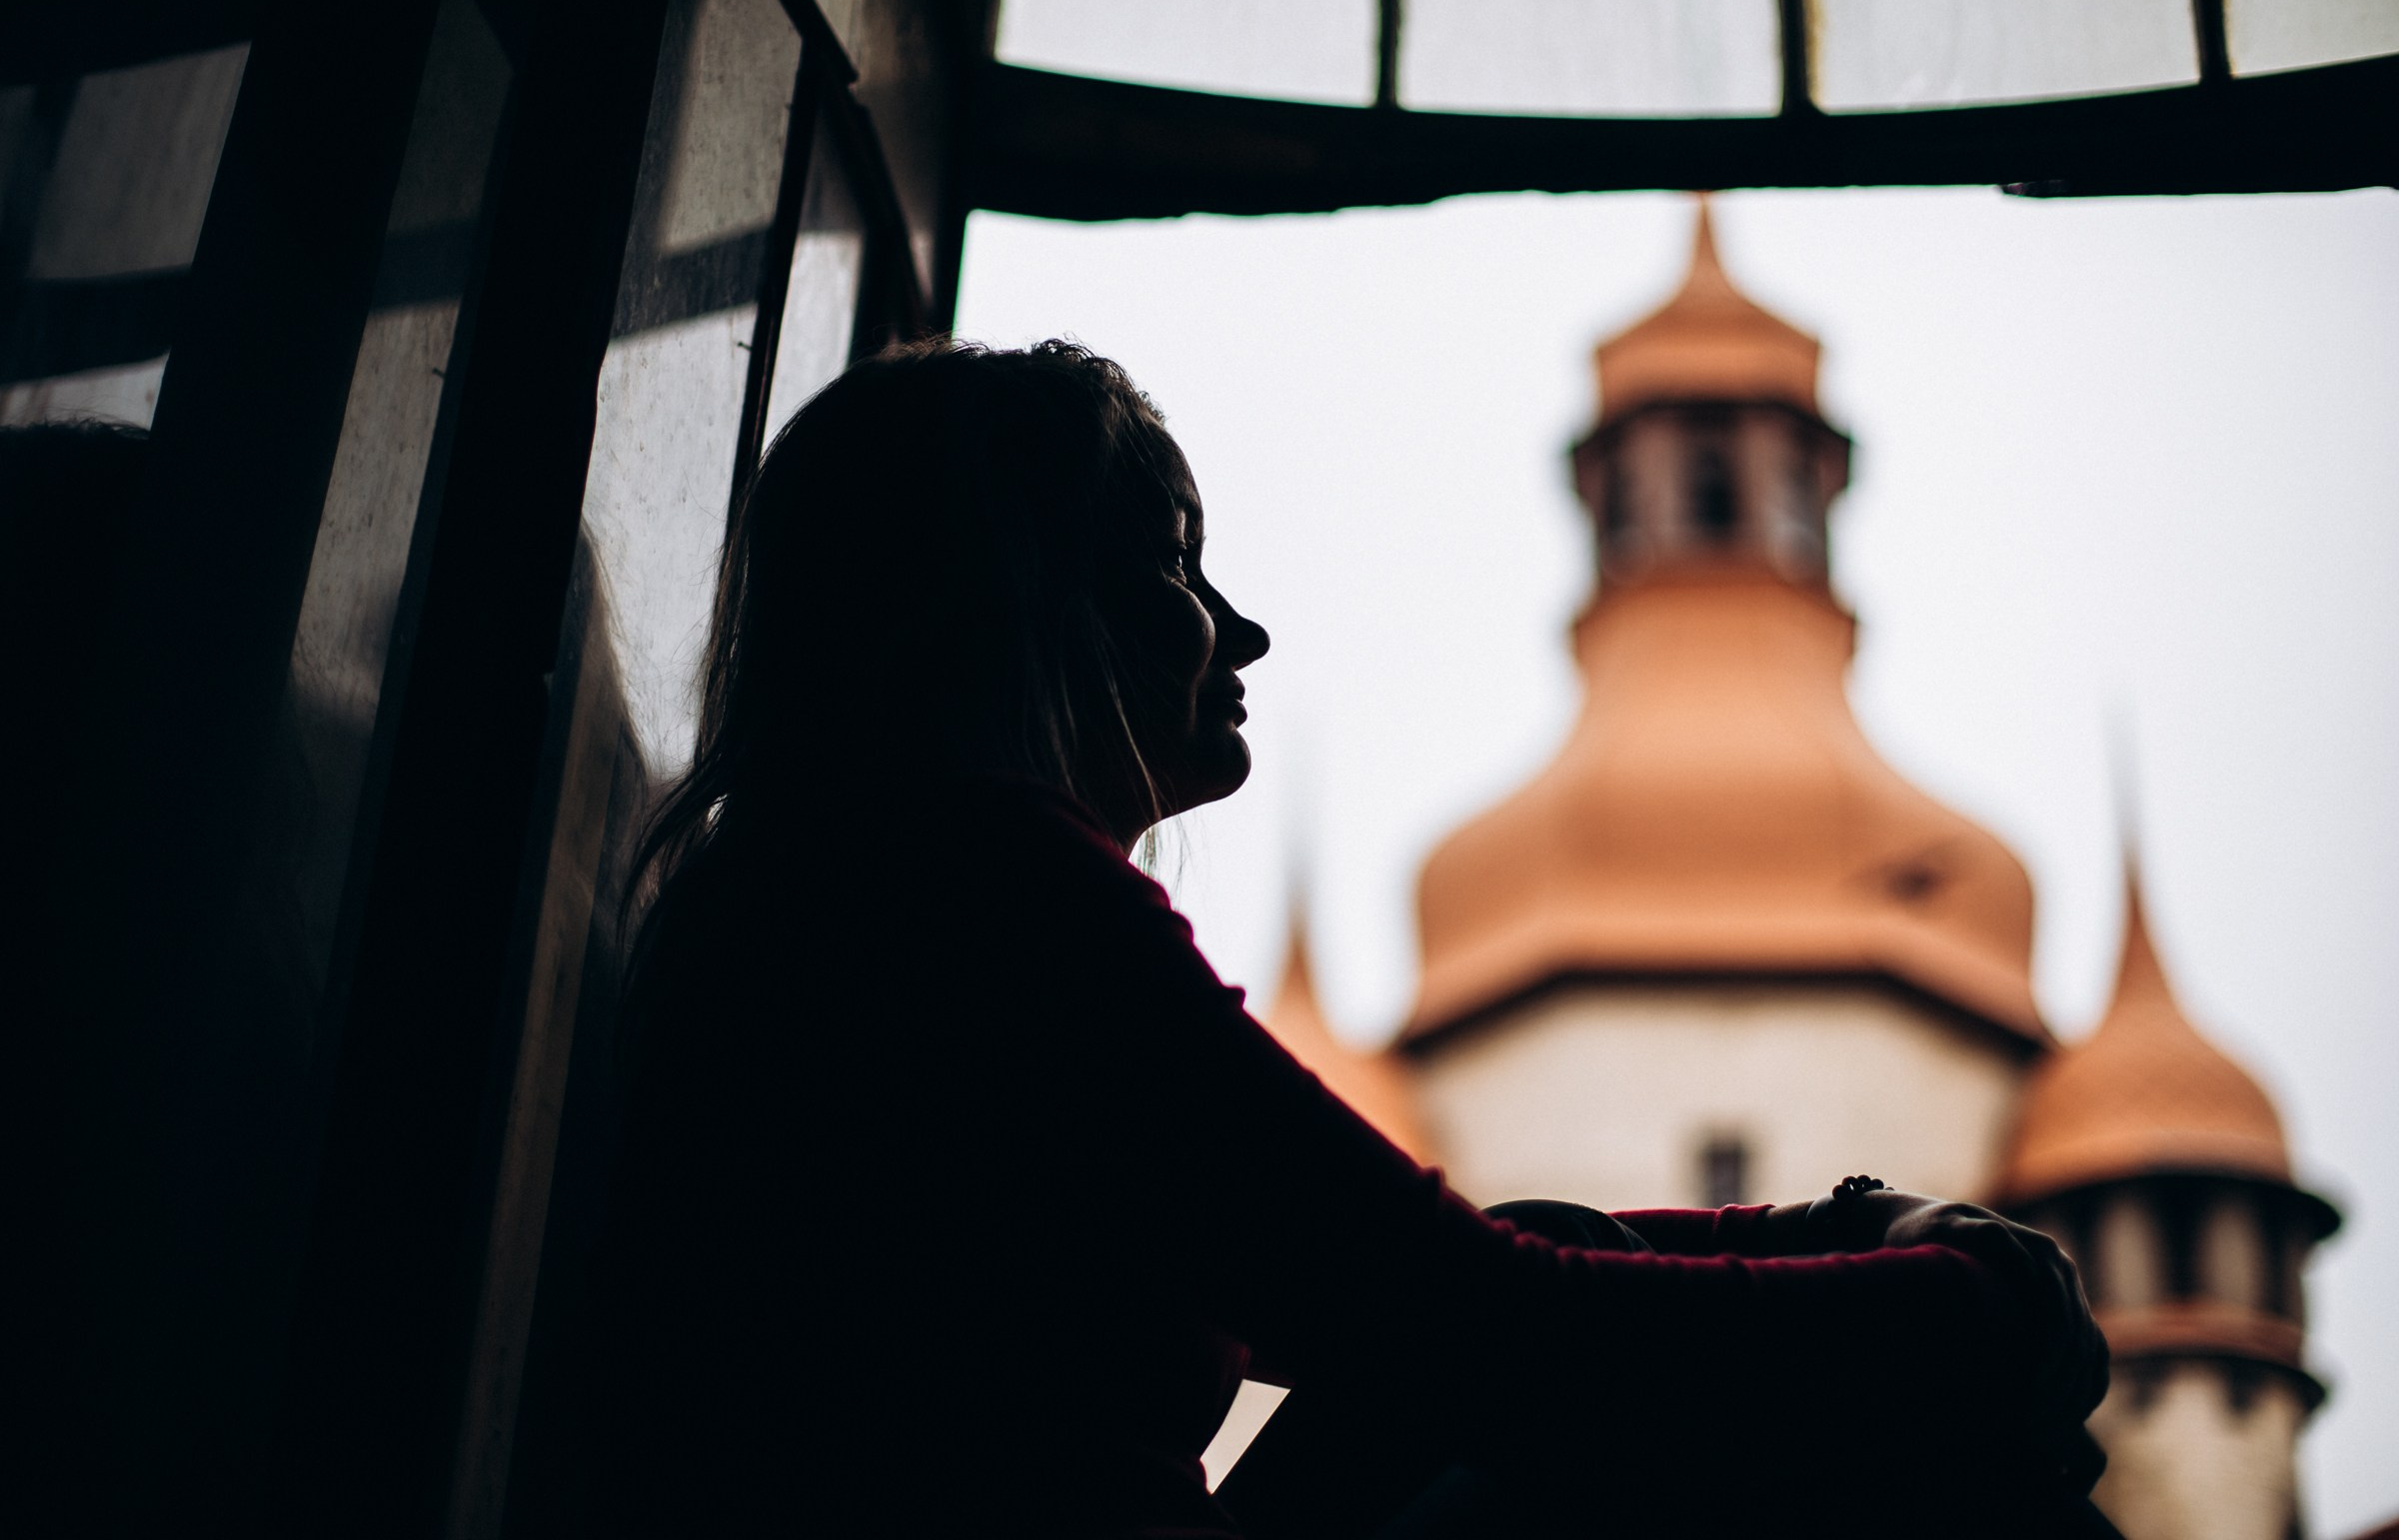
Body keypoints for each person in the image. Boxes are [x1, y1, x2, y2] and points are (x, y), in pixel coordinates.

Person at [578, 340, 2110, 1538]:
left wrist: (1824, 1238)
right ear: (1025, 603)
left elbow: (1460, 1286)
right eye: (1172, 563)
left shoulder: (863, 883)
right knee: (1891, 1461)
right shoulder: (993, 895)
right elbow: (1504, 1331)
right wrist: (1963, 1299)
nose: (1237, 631)